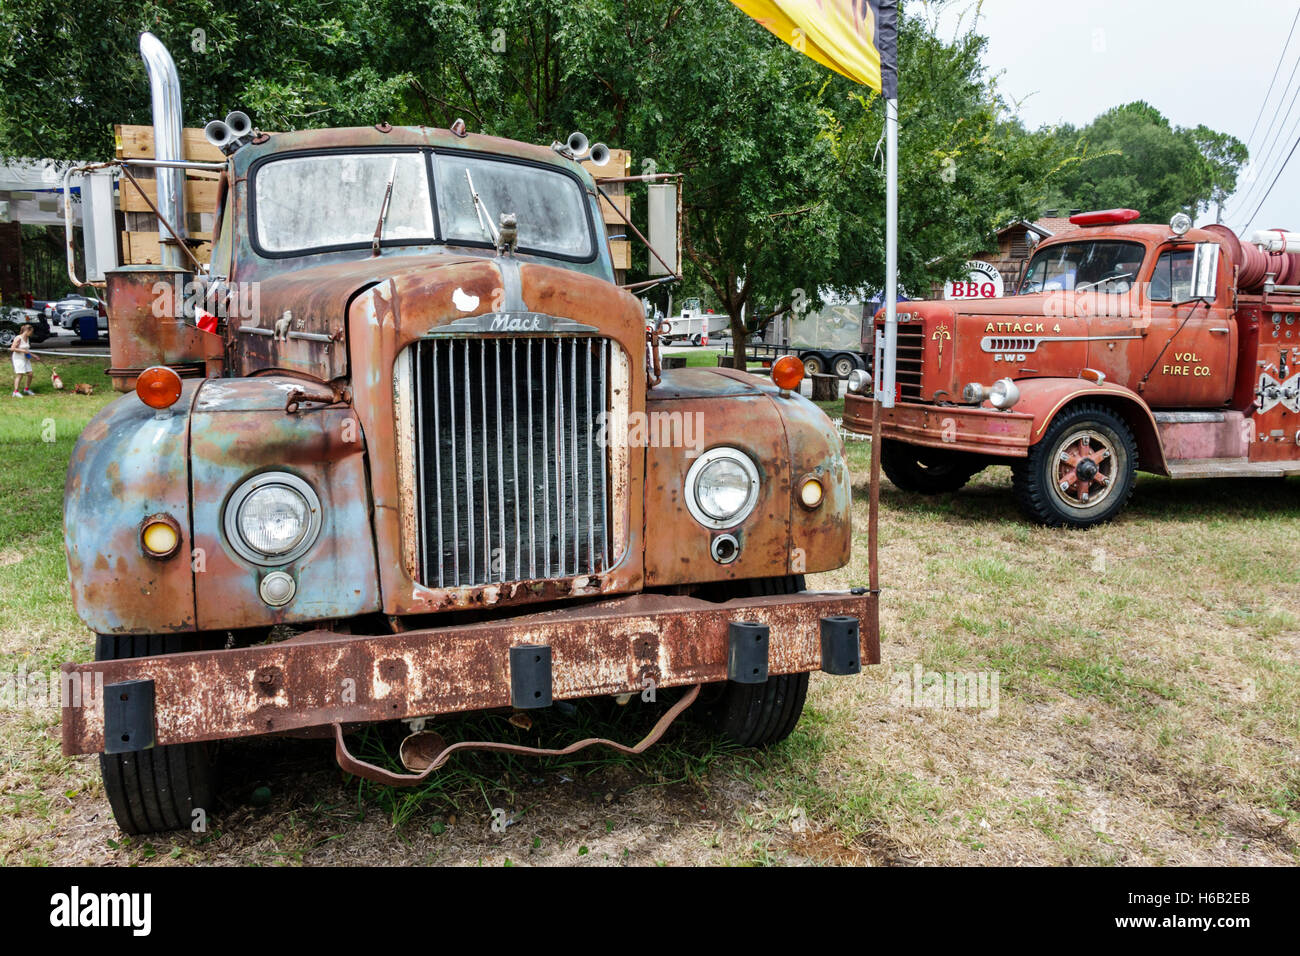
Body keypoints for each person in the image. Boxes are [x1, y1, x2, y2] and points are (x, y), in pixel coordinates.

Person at [10, 324, 38, 397]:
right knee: (20, 374)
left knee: (30, 374)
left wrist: (34, 356)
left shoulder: (27, 338)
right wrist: (22, 351)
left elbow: (26, 350)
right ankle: (15, 391)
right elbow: (12, 348)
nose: (32, 333)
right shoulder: (18, 338)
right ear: (27, 331)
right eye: (31, 331)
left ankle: (26, 389)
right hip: (18, 358)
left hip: (25, 358)